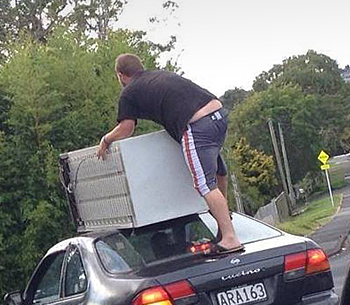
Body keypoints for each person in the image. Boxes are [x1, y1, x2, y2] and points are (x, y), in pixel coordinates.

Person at [97, 53, 243, 254]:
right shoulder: (159, 76)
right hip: (218, 115)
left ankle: (230, 237)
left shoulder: (129, 92)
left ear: (121, 75)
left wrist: (106, 139)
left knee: (203, 183)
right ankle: (223, 225)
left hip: (196, 124)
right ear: (141, 67)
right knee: (219, 172)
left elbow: (126, 127)